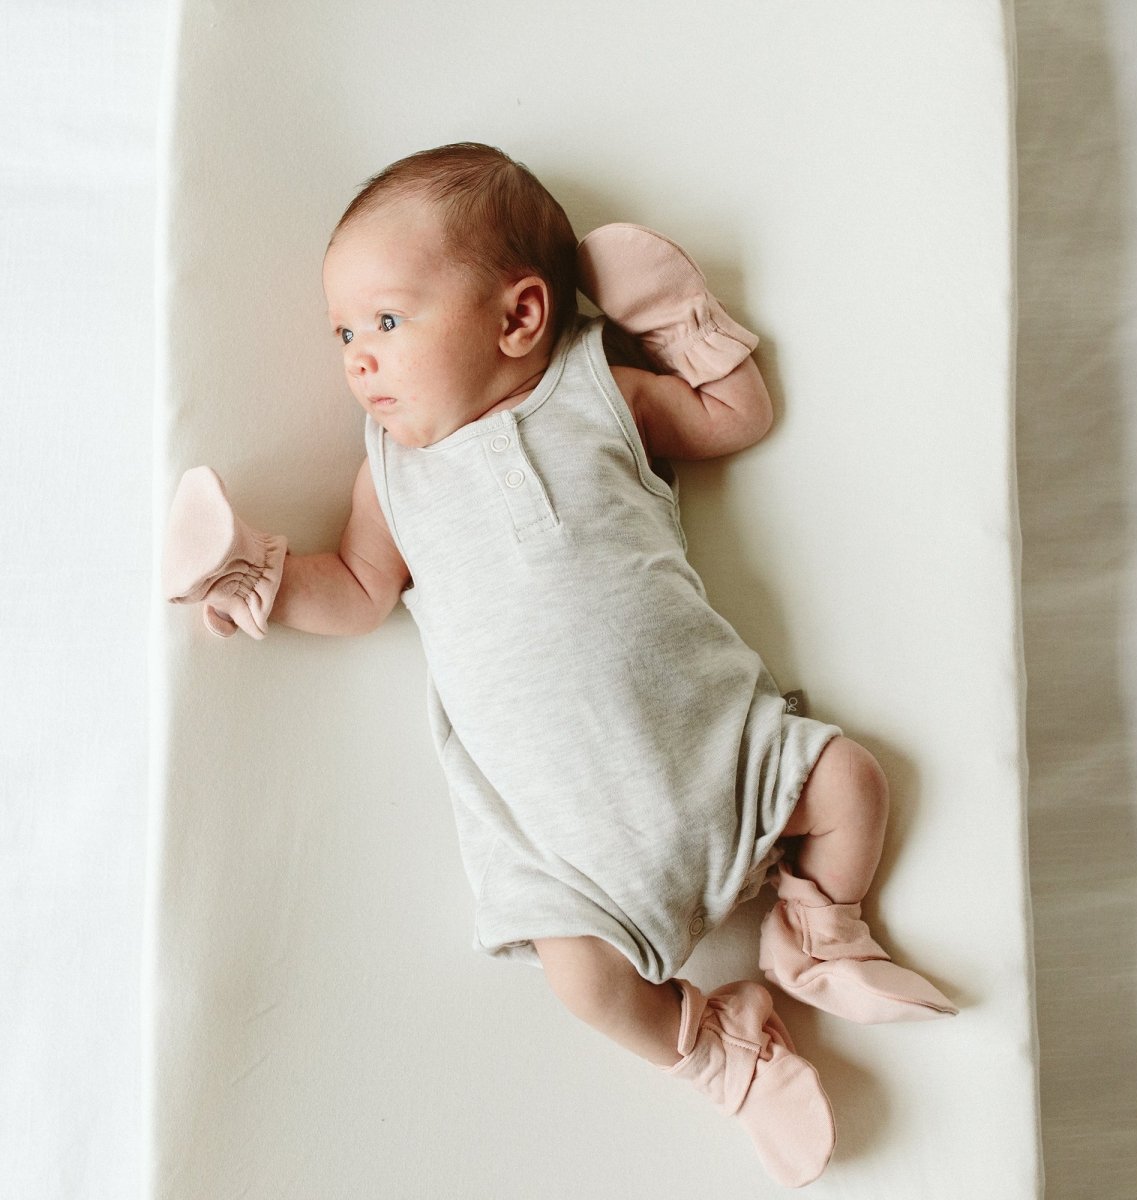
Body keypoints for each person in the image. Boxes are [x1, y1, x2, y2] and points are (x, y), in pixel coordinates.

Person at [163, 143, 956, 1188]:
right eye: (345, 333)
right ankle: (720, 1051)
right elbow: (357, 594)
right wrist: (254, 577)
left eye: (388, 322)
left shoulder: (596, 392)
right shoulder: (391, 480)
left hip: (720, 749)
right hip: (566, 842)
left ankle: (815, 930)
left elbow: (734, 419)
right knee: (582, 984)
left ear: (520, 318)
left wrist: (680, 328)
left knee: (850, 780)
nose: (358, 357)